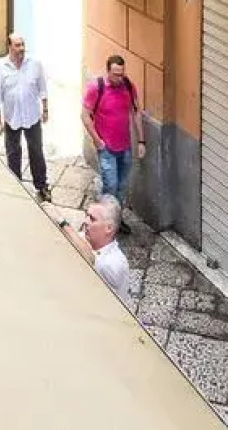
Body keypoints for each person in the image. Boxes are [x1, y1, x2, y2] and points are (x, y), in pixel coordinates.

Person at [0, 33, 50, 201]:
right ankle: (16, 186)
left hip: (32, 116)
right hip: (12, 117)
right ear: (9, 47)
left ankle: (42, 185)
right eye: (17, 45)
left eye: (22, 44)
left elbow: (43, 88)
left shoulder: (35, 64)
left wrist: (45, 109)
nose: (21, 48)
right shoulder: (1, 68)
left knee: (36, 151)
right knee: (13, 152)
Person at [82, 54, 144, 207]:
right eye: (115, 74)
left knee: (122, 187)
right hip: (106, 147)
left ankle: (116, 219)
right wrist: (97, 141)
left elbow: (136, 112)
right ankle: (105, 221)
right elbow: (84, 115)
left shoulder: (128, 86)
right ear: (108, 71)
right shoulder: (96, 88)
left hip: (126, 146)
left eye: (121, 74)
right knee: (111, 185)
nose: (119, 78)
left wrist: (141, 141)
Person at [45, 196, 130, 301]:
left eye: (92, 219)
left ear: (109, 228)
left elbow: (90, 259)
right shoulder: (88, 239)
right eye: (87, 216)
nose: (85, 221)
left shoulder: (113, 263)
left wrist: (62, 222)